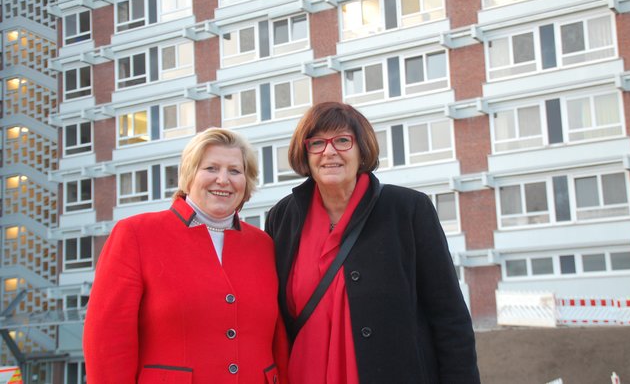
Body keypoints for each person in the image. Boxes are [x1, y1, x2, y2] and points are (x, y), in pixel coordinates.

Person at [265, 102, 480, 384]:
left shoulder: (408, 210)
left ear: (361, 149)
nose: (330, 152)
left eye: (343, 140)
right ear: (305, 153)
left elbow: (450, 317)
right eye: (317, 143)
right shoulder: (282, 217)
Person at [83, 128, 288, 384]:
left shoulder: (264, 245)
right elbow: (107, 342)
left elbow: (278, 340)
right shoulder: (135, 234)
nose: (223, 180)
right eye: (211, 168)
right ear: (189, 174)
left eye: (235, 171)